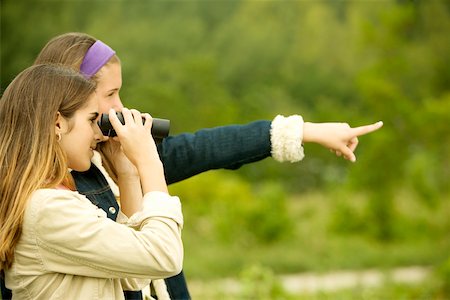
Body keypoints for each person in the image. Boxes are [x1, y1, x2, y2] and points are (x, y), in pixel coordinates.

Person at [1, 32, 383, 300]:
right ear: (64, 106)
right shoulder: (49, 199)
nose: (120, 108)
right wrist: (148, 158)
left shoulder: (106, 161)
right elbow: (158, 256)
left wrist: (306, 131)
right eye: (111, 95)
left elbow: (209, 147)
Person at [0, 64, 184, 300]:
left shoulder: (52, 198)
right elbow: (164, 256)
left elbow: (135, 275)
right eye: (91, 120)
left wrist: (129, 173)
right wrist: (150, 162)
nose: (99, 135)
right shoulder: (49, 208)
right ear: (58, 123)